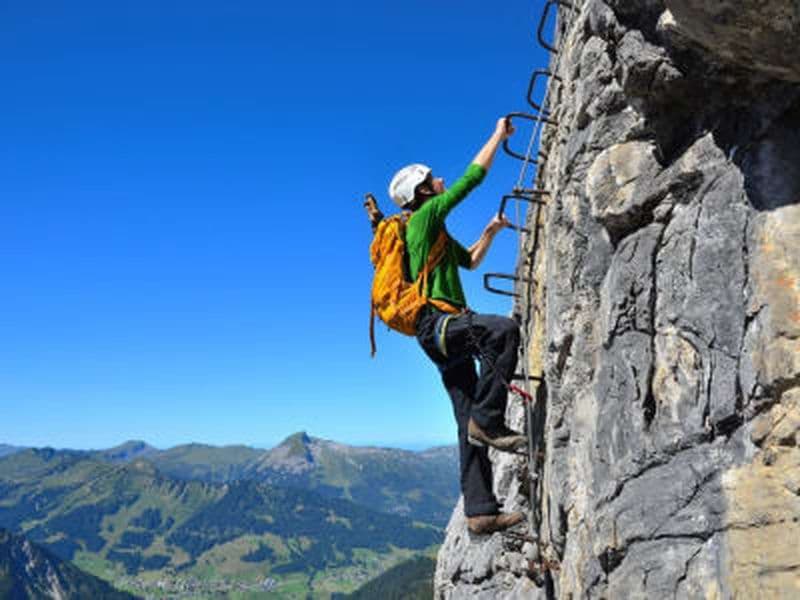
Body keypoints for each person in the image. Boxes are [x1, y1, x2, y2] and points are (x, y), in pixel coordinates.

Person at [388, 117, 526, 535]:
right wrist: (498, 136)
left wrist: (490, 231)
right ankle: (489, 419)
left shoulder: (433, 235)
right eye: (432, 179)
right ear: (422, 193)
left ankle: (480, 512)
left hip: (441, 335)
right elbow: (472, 179)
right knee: (503, 331)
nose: (440, 180)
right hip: (441, 324)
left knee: (464, 421)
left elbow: (470, 262)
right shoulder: (424, 218)